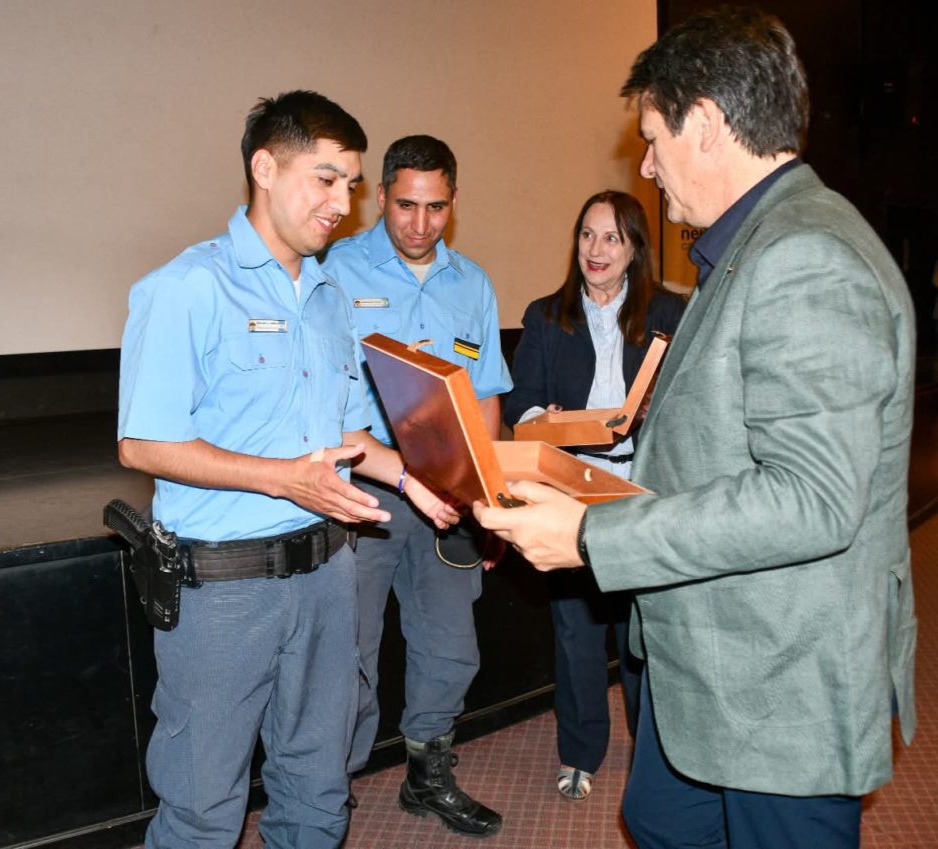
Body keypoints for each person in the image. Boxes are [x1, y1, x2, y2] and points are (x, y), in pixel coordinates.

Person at [474, 8, 917, 848]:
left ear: (706, 124)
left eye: (652, 138)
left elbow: (811, 498)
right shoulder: (753, 245)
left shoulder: (804, 258)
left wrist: (593, 534)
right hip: (715, 662)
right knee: (655, 818)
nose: (645, 164)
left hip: (778, 684)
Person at [117, 92, 458, 849]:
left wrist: (410, 480)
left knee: (316, 791)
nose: (344, 203)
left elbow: (344, 432)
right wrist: (283, 479)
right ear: (264, 168)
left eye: (353, 184)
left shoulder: (330, 295)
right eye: (326, 179)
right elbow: (143, 444)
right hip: (224, 592)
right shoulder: (188, 288)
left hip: (328, 576)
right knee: (204, 808)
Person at [323, 134, 510, 838]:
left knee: (449, 646)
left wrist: (488, 500)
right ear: (381, 197)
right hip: (367, 494)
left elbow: (486, 395)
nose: (420, 223)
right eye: (406, 205)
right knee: (350, 655)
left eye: (435, 207)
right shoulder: (339, 270)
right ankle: (327, 786)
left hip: (451, 498)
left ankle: (428, 775)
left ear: (453, 204)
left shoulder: (474, 284)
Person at [504, 190, 684, 800]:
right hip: (571, 491)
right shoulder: (546, 314)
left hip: (639, 491)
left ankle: (653, 756)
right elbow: (518, 400)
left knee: (641, 629)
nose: (596, 250)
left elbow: (691, 402)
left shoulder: (669, 312)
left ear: (634, 248)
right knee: (576, 629)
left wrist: (659, 411)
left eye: (611, 237)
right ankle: (580, 751)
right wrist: (543, 418)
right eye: (587, 235)